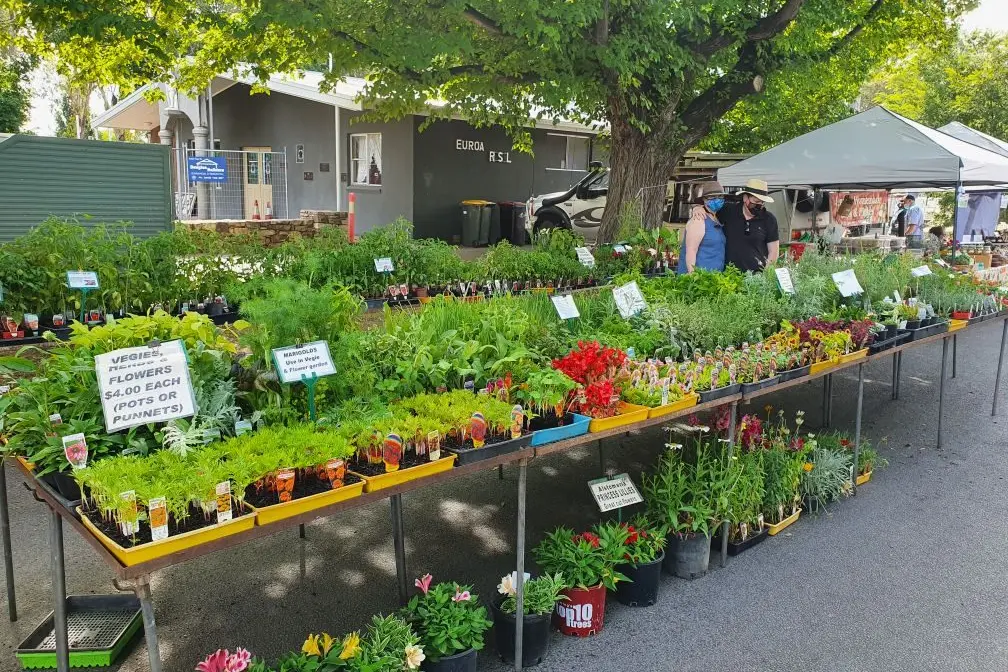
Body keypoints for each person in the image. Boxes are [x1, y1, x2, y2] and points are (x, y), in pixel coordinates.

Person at [717, 178, 780, 272]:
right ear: (745, 198)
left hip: (757, 277)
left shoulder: (769, 219)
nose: (759, 205)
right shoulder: (728, 211)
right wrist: (698, 208)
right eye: (756, 201)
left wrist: (767, 274)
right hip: (729, 276)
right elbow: (709, 211)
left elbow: (773, 252)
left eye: (762, 202)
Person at [678, 181, 727, 274]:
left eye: (720, 196)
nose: (717, 199)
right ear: (704, 199)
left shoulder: (716, 218)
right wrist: (692, 276)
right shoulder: (699, 219)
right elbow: (691, 251)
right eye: (713, 197)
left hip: (713, 279)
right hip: (699, 281)